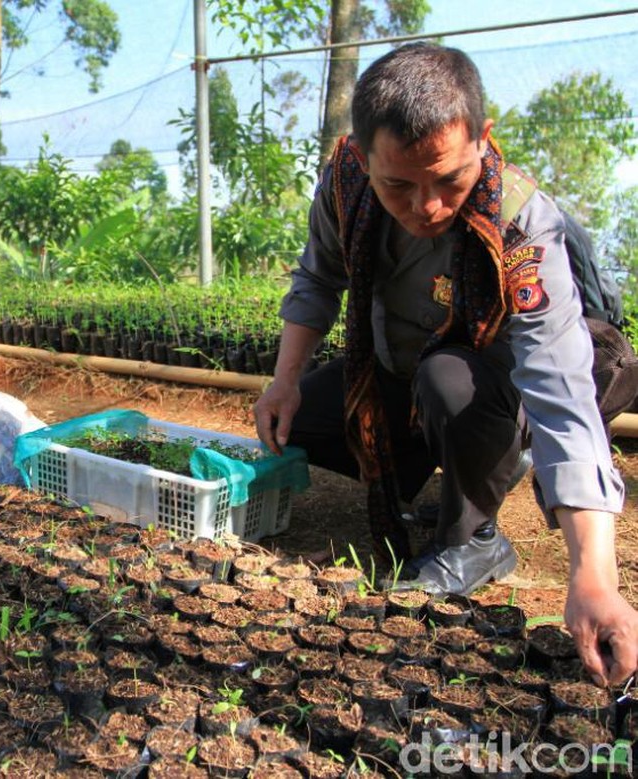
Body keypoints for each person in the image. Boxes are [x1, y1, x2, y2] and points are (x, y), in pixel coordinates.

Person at [253, 42, 638, 687]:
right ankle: (430, 471)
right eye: (398, 184)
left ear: (482, 140)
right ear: (361, 153)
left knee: (450, 383)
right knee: (310, 421)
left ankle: (474, 534)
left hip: (489, 382)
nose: (427, 206)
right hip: (401, 369)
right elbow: (318, 279)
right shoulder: (344, 184)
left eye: (449, 180)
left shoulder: (518, 224)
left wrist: (592, 576)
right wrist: (284, 380)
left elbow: (558, 388)